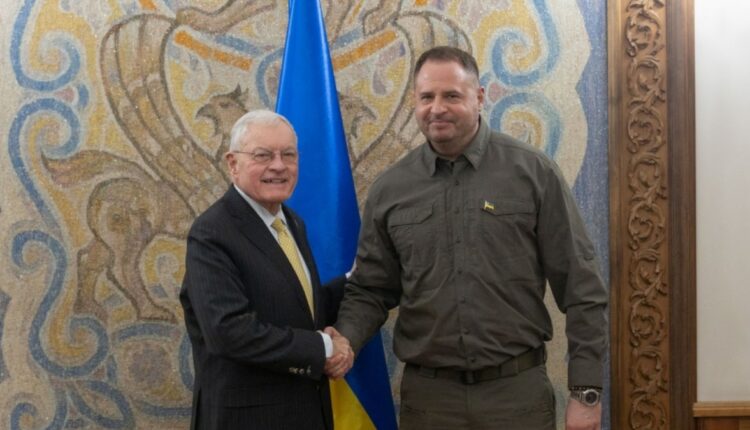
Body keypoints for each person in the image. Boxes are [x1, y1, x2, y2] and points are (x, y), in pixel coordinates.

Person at [332, 46, 608, 430]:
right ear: (414, 101)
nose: (437, 108)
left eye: (451, 95)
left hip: (517, 397)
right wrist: (344, 340)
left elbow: (583, 288)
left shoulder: (533, 173)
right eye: (426, 97)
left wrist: (586, 392)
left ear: (479, 97)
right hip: (429, 403)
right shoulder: (390, 189)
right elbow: (371, 289)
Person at [180, 109, 353, 430]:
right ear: (233, 163)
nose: (278, 166)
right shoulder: (212, 232)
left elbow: (298, 309)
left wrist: (356, 280)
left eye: (288, 155)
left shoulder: (292, 223)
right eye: (263, 155)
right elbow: (228, 332)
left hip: (306, 414)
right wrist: (323, 348)